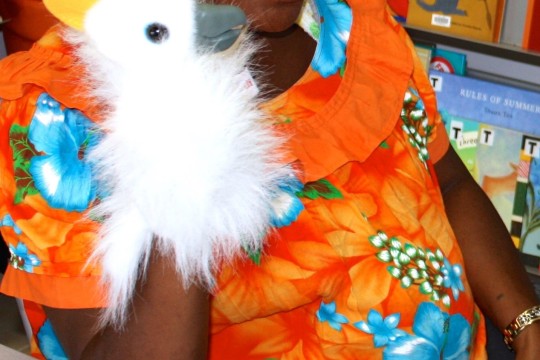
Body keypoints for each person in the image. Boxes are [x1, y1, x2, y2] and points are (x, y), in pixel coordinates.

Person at [0, 0, 539, 359]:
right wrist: (180, 140)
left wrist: (526, 320)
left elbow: (448, 182)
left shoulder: (354, 26)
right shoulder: (57, 113)